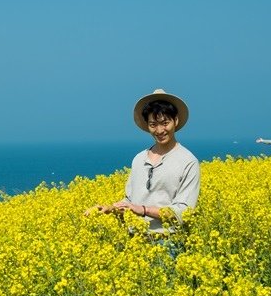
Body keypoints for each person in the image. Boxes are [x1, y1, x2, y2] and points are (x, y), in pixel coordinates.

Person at [86, 88, 200, 234]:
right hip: (135, 239)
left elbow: (183, 211)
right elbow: (129, 201)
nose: (159, 130)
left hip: (168, 242)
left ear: (175, 121)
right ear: (147, 126)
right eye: (153, 125)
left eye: (165, 123)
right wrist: (109, 208)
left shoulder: (188, 161)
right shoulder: (139, 159)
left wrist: (143, 210)